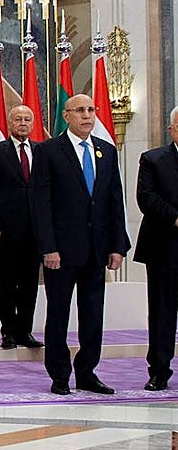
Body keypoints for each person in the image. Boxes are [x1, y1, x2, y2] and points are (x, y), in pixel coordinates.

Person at [31, 94, 130, 395]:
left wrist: (118, 246)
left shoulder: (106, 151)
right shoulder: (49, 151)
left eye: (91, 110)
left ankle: (87, 371)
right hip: (61, 251)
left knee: (92, 313)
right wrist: (49, 247)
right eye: (80, 111)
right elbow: (40, 203)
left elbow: (115, 200)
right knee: (59, 313)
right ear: (66, 115)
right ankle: (60, 374)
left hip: (97, 249)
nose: (87, 115)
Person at [0, 104, 44, 350]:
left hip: (35, 232)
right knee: (7, 283)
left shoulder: (41, 151)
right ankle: (7, 331)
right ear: (9, 123)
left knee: (30, 284)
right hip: (5, 232)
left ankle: (24, 331)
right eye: (18, 119)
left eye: (27, 119)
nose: (23, 123)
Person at [135, 106, 178, 391]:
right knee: (163, 312)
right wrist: (175, 217)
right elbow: (146, 198)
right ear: (172, 128)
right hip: (165, 246)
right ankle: (159, 371)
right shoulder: (153, 159)